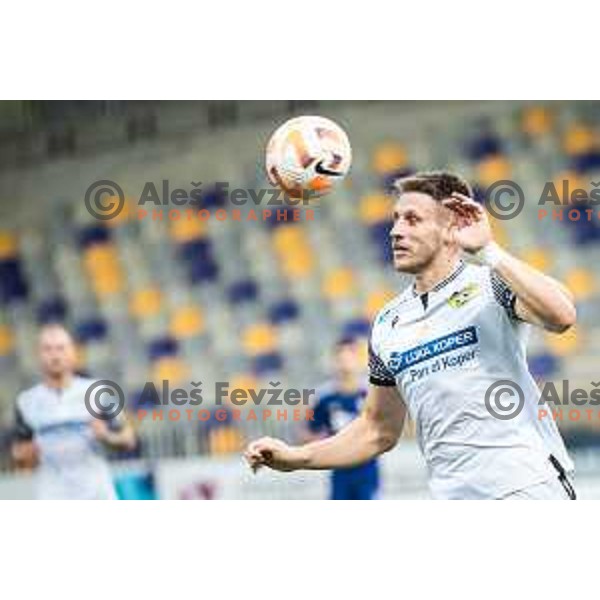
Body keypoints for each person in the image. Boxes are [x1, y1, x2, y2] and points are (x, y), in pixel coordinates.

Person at [244, 171, 578, 500]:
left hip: (525, 487)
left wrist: (490, 251)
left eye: (412, 220)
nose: (395, 231)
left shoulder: (489, 282)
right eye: (396, 219)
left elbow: (561, 316)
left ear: (451, 228)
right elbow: (377, 430)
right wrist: (296, 457)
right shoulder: (388, 323)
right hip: (452, 499)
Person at [11, 323, 136, 499]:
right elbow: (22, 459)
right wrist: (24, 457)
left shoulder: (98, 392)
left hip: (96, 495)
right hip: (53, 496)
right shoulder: (26, 401)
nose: (55, 355)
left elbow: (129, 439)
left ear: (73, 353)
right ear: (38, 355)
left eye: (61, 348)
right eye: (48, 349)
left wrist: (106, 436)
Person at [304, 337, 379, 500]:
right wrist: (328, 445)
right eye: (341, 357)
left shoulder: (372, 393)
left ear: (359, 360)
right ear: (334, 361)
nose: (345, 363)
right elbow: (310, 432)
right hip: (339, 469)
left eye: (350, 356)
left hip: (367, 469)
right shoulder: (324, 397)